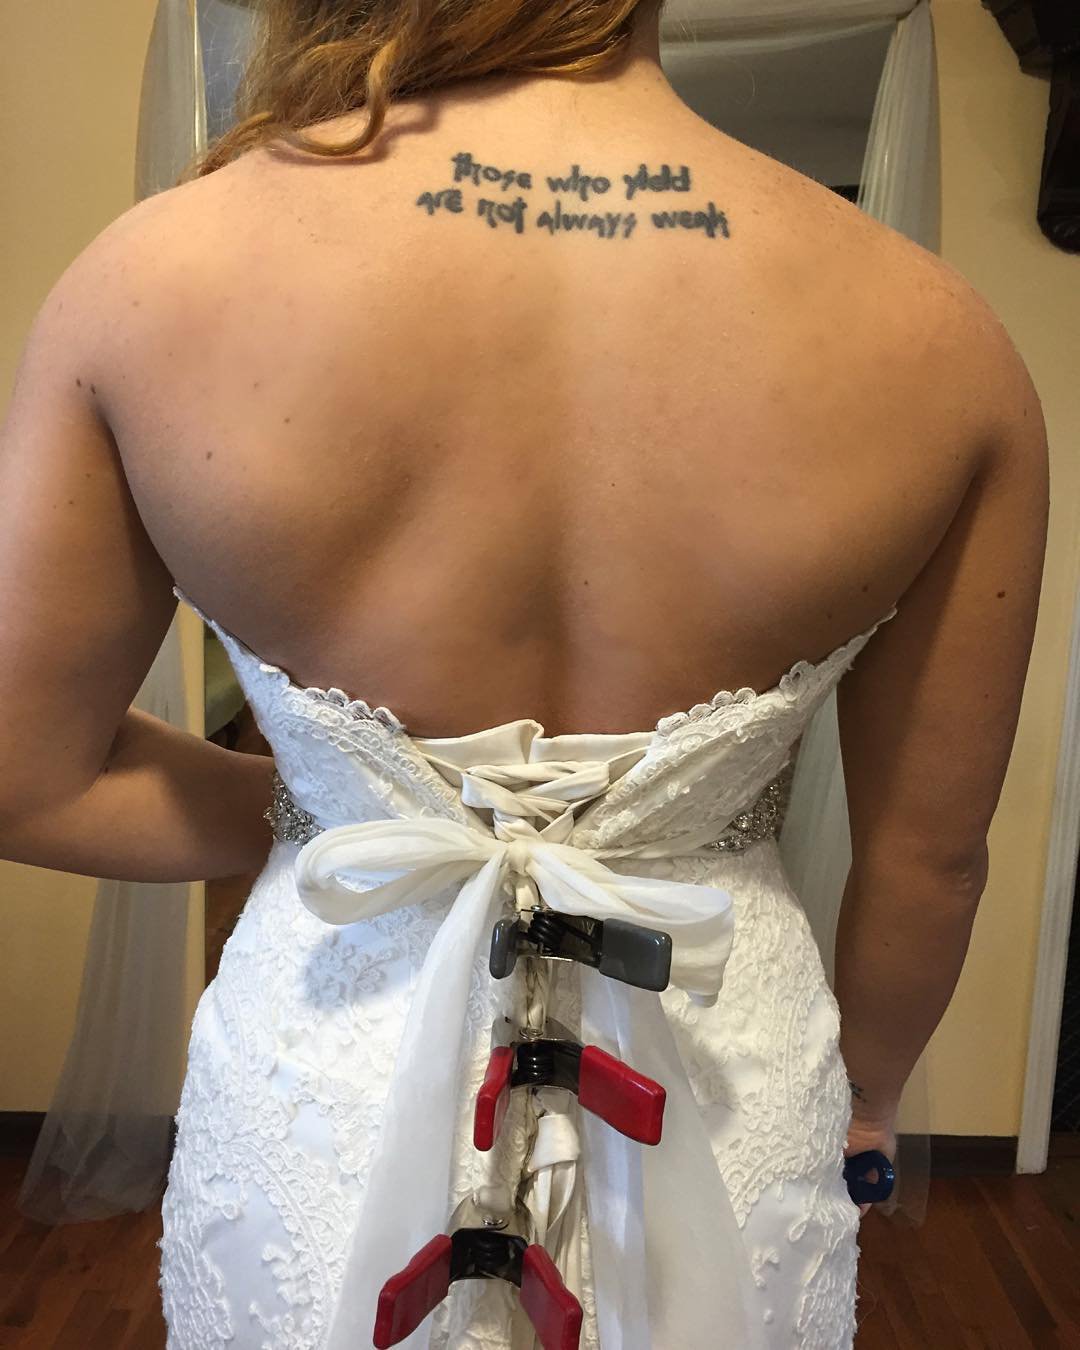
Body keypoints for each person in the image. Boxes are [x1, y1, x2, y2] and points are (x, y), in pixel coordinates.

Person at [0, 0, 1048, 1346]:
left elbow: (28, 778)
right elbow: (929, 864)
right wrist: (874, 1098)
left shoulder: (149, 280)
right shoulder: (939, 338)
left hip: (324, 1082)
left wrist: (343, 814)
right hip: (726, 1092)